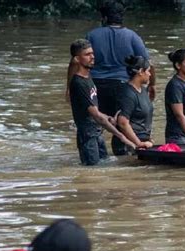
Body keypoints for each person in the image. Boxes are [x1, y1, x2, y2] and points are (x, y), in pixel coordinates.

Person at [64, 0, 157, 112]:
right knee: (122, 124)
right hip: (124, 86)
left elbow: (75, 62)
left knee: (97, 122)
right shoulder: (133, 37)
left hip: (96, 85)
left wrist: (70, 87)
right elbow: (148, 64)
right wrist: (152, 84)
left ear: (104, 18)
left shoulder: (92, 35)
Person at [69, 38, 136, 166]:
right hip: (88, 136)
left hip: (96, 133)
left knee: (103, 167)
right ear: (77, 59)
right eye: (87, 55)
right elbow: (96, 115)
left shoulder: (88, 76)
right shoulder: (79, 83)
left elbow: (95, 111)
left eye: (92, 53)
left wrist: (108, 117)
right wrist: (121, 136)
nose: (92, 57)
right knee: (92, 171)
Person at [112, 55, 154, 155]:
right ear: (140, 72)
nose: (150, 74)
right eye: (148, 71)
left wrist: (148, 138)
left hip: (142, 142)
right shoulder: (128, 94)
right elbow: (123, 122)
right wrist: (138, 143)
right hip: (128, 145)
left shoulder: (143, 90)